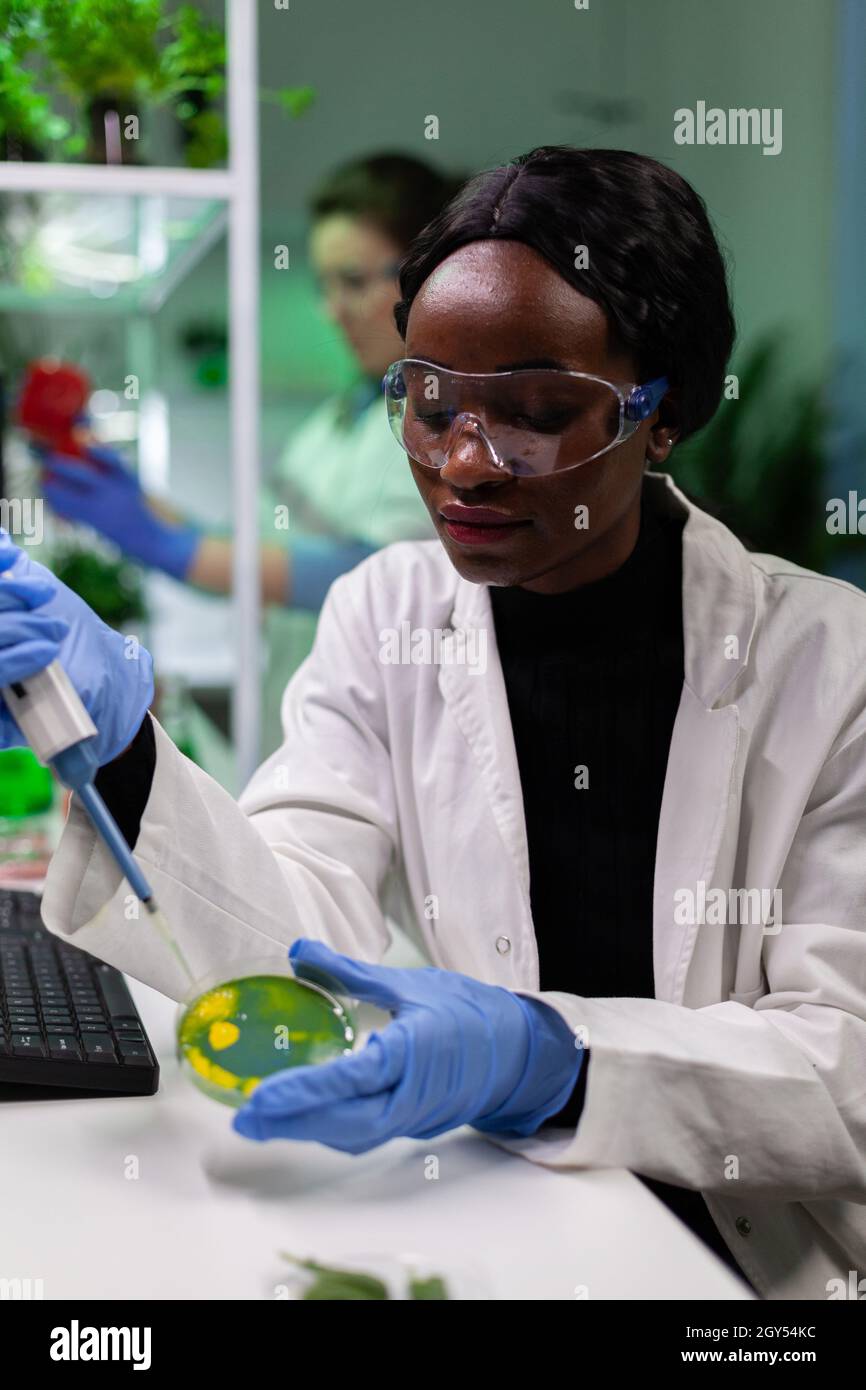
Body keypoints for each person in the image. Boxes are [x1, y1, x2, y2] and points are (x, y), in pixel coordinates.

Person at [2, 145, 865, 1302]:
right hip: (515, 1223)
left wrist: (552, 1057)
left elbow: (844, 1066)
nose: (464, 463)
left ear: (661, 417)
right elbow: (294, 938)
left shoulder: (830, 662)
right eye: (429, 402)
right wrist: (126, 762)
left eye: (537, 413)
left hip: (762, 1271)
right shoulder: (386, 613)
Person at [34, 153, 462, 752]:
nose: (331, 309)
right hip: (301, 732)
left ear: (428, 274)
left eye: (355, 281)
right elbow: (250, 553)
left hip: (389, 743)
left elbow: (371, 576)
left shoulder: (451, 422)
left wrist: (170, 546)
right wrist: (134, 506)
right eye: (326, 284)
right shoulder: (336, 421)